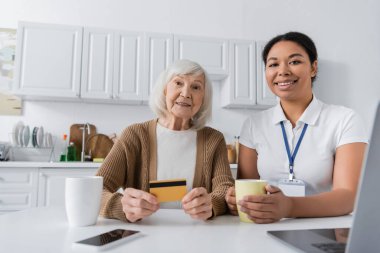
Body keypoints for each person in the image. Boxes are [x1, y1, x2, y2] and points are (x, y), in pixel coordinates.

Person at [225, 32, 368, 223]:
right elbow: (247, 187)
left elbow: (349, 196)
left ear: (313, 68)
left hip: (324, 230)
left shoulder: (345, 120)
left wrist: (289, 207)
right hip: (264, 229)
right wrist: (236, 200)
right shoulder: (253, 125)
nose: (282, 71)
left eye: (294, 62)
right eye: (273, 64)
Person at [96, 59, 234, 223]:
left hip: (198, 235)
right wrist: (120, 205)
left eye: (196, 87)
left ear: (203, 99)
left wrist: (212, 204)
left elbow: (224, 187)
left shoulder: (213, 139)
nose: (185, 93)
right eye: (178, 83)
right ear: (164, 90)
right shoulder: (134, 135)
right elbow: (97, 190)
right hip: (145, 234)